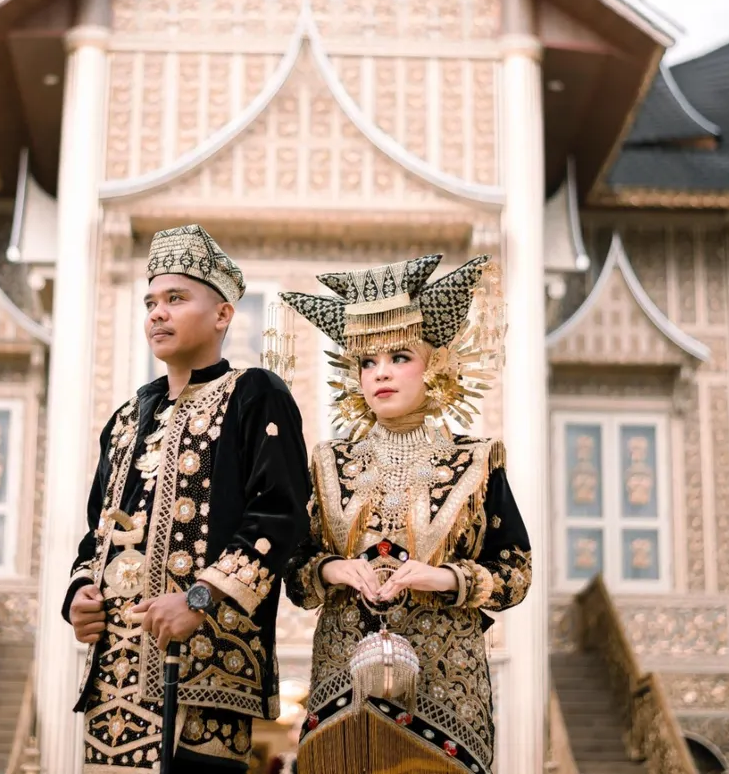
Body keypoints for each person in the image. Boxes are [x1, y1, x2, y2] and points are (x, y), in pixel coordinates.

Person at [63, 224, 312, 773]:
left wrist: (199, 599)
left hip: (205, 675)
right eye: (150, 302)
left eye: (176, 298)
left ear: (223, 314)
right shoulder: (127, 419)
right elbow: (96, 531)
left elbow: (280, 514)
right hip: (114, 677)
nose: (157, 313)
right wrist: (79, 593)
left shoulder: (255, 394)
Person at [280, 253, 533, 774]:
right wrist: (334, 569)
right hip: (343, 679)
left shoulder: (476, 461)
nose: (381, 373)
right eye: (367, 362)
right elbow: (295, 568)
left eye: (399, 356)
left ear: (436, 364)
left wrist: (445, 578)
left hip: (445, 687)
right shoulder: (329, 462)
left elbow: (516, 572)